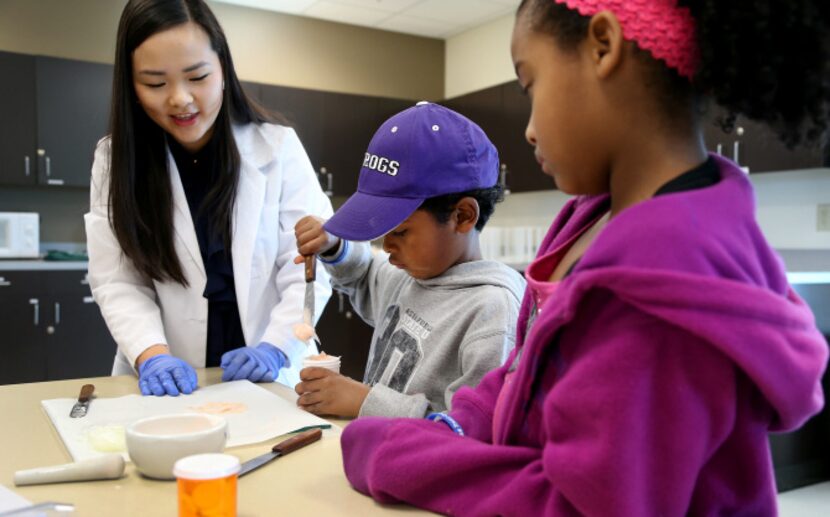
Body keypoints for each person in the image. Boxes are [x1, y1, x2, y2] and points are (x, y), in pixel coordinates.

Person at [339, 0, 830, 514]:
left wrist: (398, 456)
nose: (528, 130)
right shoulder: (590, 219)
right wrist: (459, 425)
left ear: (602, 47)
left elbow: (581, 505)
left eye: (531, 84)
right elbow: (521, 372)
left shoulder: (659, 286)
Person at [85, 0, 332, 397]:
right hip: (168, 376)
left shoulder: (277, 148)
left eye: (197, 76)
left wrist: (275, 347)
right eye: (155, 83)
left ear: (222, 69)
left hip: (273, 371)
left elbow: (309, 265)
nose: (180, 99)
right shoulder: (116, 160)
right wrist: (152, 356)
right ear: (130, 84)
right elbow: (118, 281)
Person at [293, 102, 526, 418]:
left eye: (401, 232)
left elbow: (472, 432)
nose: (387, 245)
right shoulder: (412, 274)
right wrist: (334, 247)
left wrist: (365, 402)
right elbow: (365, 276)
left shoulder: (493, 311)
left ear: (463, 215)